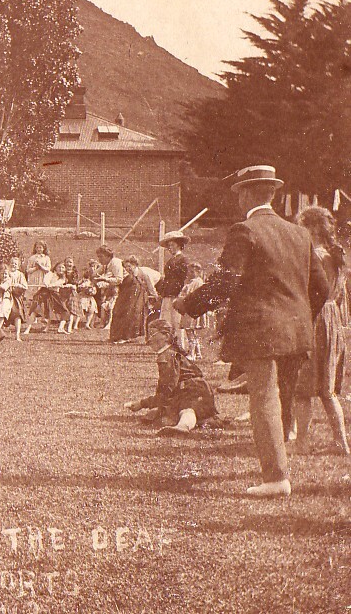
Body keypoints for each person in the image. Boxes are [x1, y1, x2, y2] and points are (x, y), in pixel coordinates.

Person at [178, 165, 328, 498]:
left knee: (264, 398)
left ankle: (275, 478)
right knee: (282, 397)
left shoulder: (244, 230)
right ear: (272, 194)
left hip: (261, 331)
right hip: (297, 331)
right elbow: (323, 287)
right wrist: (301, 316)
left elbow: (226, 283)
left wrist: (188, 306)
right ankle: (277, 466)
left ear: (245, 194)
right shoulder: (300, 234)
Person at [291, 207, 349, 455]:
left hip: (315, 318)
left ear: (311, 228)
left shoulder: (315, 256)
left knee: (303, 389)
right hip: (331, 319)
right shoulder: (334, 255)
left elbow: (311, 291)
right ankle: (341, 443)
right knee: (328, 389)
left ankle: (302, 443)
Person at [123, 319, 218, 435]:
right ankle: (206, 420)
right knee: (163, 415)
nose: (149, 339)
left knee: (187, 410)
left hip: (193, 390)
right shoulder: (168, 354)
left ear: (166, 336)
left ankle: (183, 427)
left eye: (152, 334)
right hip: (189, 390)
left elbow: (168, 388)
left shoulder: (168, 356)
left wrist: (143, 403)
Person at [109, 256, 157, 344]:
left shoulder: (144, 273)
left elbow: (151, 287)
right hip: (150, 290)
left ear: (135, 265)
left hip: (158, 286)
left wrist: (155, 298)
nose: (127, 269)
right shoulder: (134, 275)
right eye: (126, 267)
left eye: (129, 266)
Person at [156, 231, 190, 328]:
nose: (170, 248)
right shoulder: (171, 260)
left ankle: (178, 340)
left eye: (172, 245)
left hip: (177, 292)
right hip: (168, 292)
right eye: (169, 246)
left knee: (176, 318)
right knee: (166, 318)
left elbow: (185, 278)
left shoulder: (183, 259)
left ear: (179, 245)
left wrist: (182, 293)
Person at [94, 245, 124, 328]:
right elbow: (94, 275)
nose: (99, 259)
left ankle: (110, 323)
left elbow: (119, 279)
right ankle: (103, 322)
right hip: (115, 286)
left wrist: (105, 279)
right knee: (105, 303)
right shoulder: (106, 264)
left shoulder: (115, 262)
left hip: (126, 285)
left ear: (108, 256)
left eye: (101, 257)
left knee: (112, 304)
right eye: (98, 257)